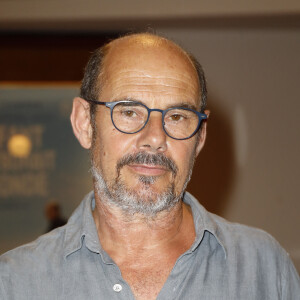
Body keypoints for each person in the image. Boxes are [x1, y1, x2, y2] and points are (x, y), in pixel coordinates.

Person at [0, 33, 299, 300]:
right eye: (129, 111)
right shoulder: (15, 283)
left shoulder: (265, 269)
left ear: (200, 136)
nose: (155, 138)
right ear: (84, 123)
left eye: (177, 116)